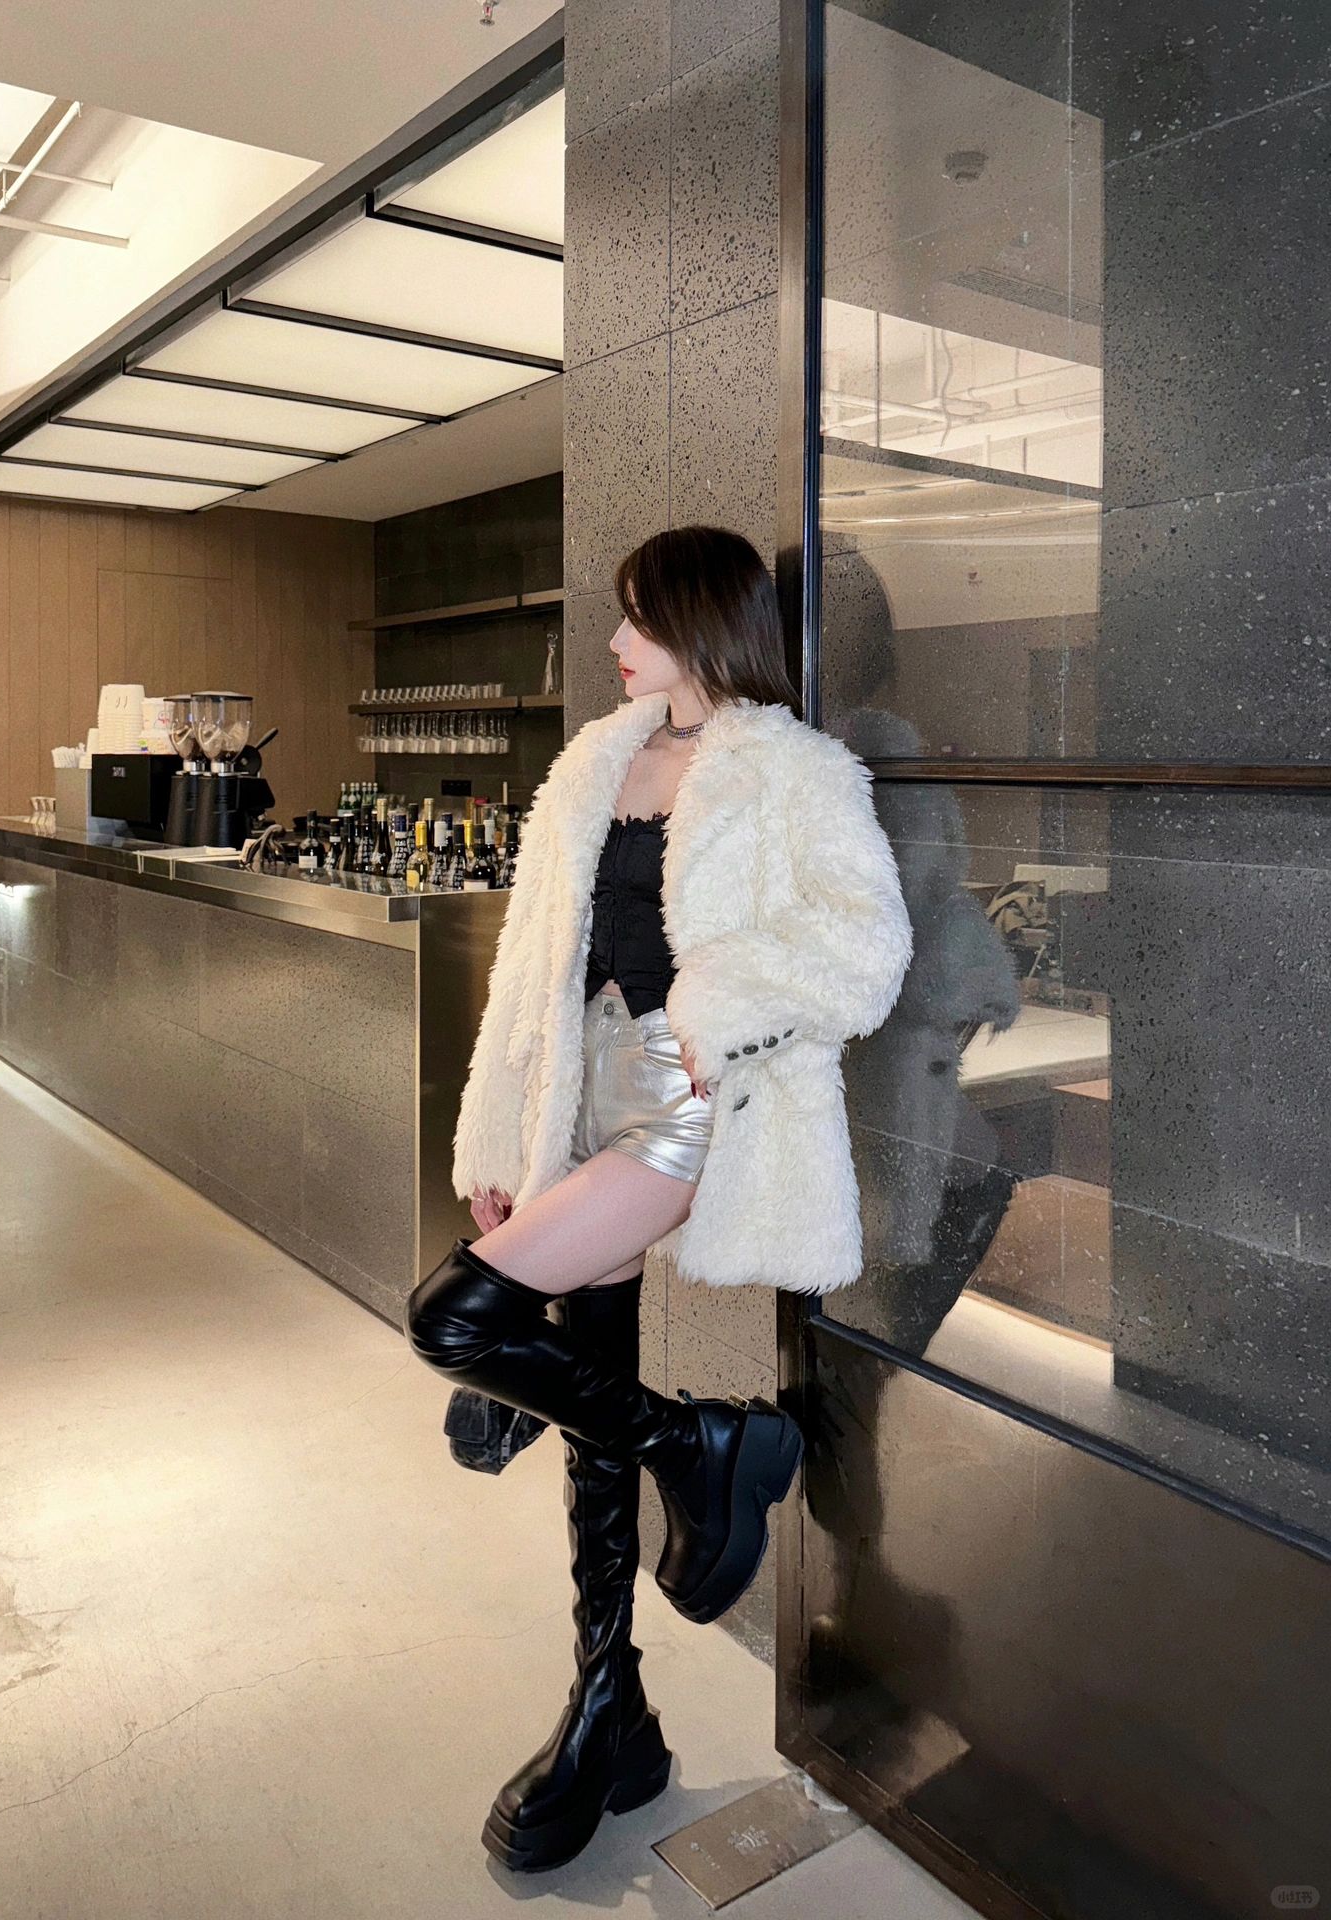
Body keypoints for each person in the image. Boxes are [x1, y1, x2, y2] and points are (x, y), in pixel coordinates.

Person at [403, 524, 914, 1873]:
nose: (619, 643)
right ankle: (609, 1708)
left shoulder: (791, 768)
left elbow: (865, 950)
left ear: (700, 623)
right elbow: (530, 966)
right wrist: (501, 1137)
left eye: (639, 618)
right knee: (589, 1422)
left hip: (689, 1105)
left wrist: (719, 1007)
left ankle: (703, 1447)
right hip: (574, 1104)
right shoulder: (596, 758)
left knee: (453, 1319)